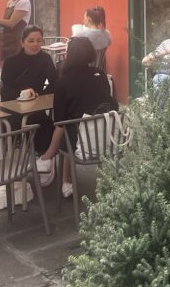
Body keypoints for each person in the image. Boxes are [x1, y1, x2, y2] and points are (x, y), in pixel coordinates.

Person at [35, 36, 117, 198]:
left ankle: (51, 163)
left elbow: (59, 120)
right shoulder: (101, 75)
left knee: (66, 127)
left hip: (80, 143)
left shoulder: (63, 81)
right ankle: (53, 166)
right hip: (106, 136)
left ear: (70, 55)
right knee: (72, 125)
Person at [0, 24, 57, 150]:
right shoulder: (11, 61)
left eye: (39, 41)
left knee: (49, 128)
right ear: (22, 42)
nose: (35, 44)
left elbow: (54, 82)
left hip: (36, 107)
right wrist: (23, 94)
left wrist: (39, 95)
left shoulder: (45, 58)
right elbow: (5, 91)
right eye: (31, 41)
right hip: (15, 107)